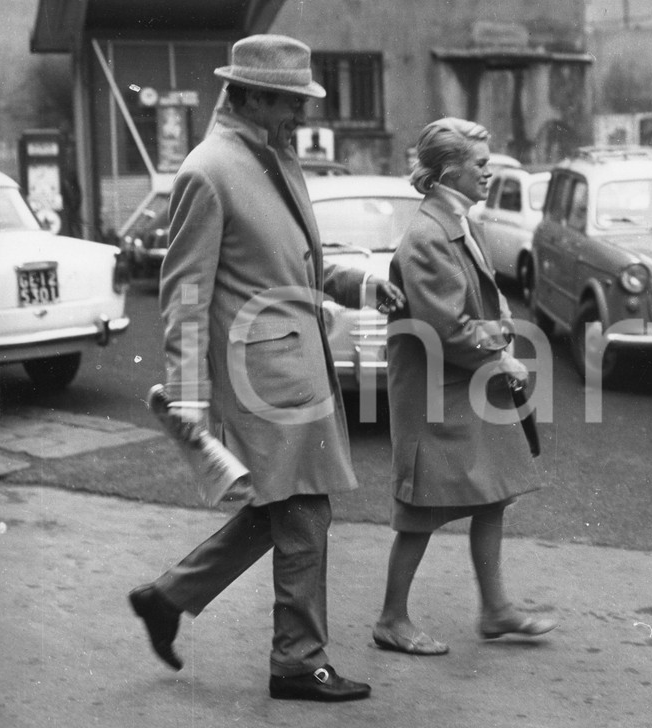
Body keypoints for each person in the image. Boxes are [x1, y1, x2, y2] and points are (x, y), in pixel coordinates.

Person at [127, 34, 404, 703]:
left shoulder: (272, 157)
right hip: (263, 378)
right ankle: (296, 659)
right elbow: (185, 294)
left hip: (291, 367)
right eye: (288, 102)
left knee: (283, 507)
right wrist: (189, 397)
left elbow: (292, 265)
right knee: (305, 510)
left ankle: (169, 597)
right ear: (248, 95)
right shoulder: (209, 170)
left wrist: (358, 283)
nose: (301, 116)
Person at [372, 118, 558, 655]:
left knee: (493, 494)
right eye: (481, 164)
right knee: (421, 512)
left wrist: (499, 339)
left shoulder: (458, 221)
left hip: (462, 385)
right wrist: (501, 348)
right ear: (450, 170)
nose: (489, 171)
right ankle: (391, 619)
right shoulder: (428, 236)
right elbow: (447, 328)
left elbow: (488, 296)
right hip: (438, 391)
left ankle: (496, 610)